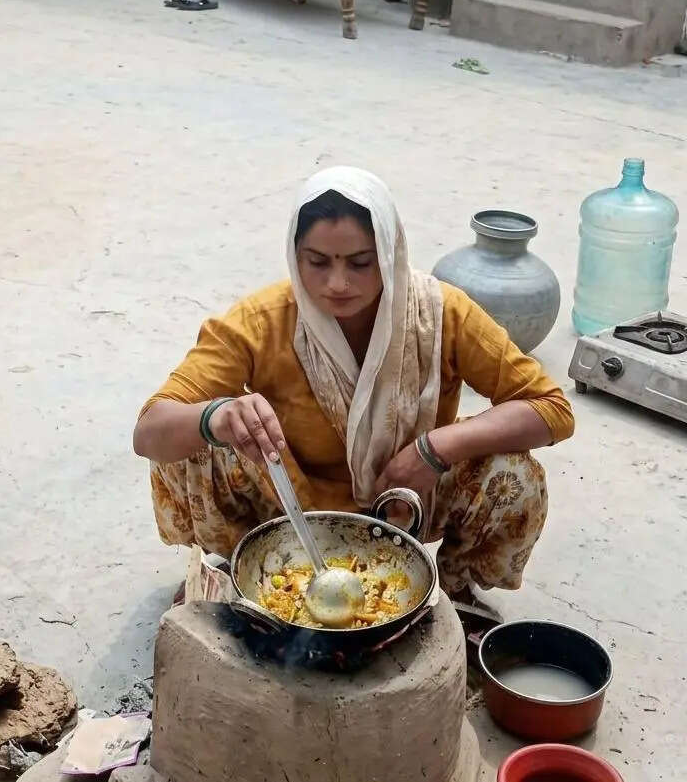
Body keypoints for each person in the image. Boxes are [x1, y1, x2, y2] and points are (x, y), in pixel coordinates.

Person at [134, 167, 574, 607]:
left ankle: (456, 596)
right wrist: (216, 416)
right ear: (295, 255)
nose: (338, 284)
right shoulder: (261, 322)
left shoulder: (439, 316)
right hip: (289, 506)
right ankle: (243, 565)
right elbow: (149, 430)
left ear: (390, 252)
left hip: (408, 500)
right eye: (317, 262)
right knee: (194, 439)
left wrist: (433, 450)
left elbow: (551, 409)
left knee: (514, 473)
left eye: (361, 263)